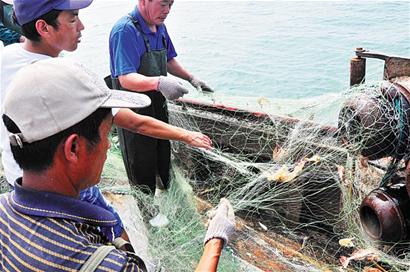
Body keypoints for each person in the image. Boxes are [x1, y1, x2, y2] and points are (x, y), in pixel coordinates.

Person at [0, 0, 212, 241]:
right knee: (112, 235)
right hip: (65, 184)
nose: (82, 26)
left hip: (19, 180)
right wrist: (185, 134)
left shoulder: (6, 57)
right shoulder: (68, 76)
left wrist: (189, 78)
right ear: (43, 28)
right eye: (73, 19)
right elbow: (134, 121)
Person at [0, 58, 235, 271]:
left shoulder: (4, 210)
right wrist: (215, 239)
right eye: (105, 134)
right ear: (73, 148)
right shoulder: (108, 266)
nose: (108, 146)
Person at [109, 0, 214, 195]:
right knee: (140, 162)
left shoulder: (159, 27)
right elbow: (125, 78)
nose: (167, 11)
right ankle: (147, 212)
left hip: (158, 104)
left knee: (161, 154)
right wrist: (159, 82)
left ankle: (163, 193)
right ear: (143, 1)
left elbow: (168, 59)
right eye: (162, 4)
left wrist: (191, 78)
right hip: (133, 109)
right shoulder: (125, 31)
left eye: (171, 5)